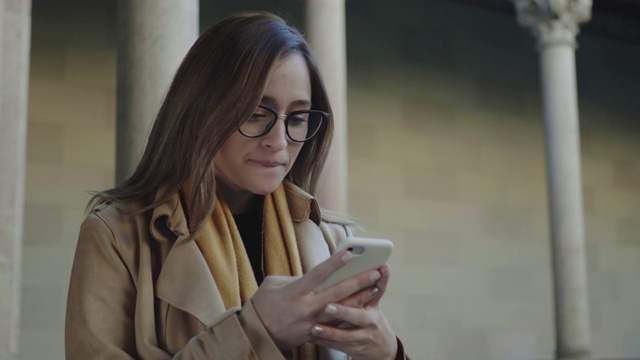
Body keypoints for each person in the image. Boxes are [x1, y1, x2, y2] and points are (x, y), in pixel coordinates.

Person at [65, 11, 407, 360]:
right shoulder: (116, 237)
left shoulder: (330, 240)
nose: (279, 141)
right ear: (201, 111)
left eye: (299, 118)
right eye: (256, 114)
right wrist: (256, 332)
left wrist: (388, 352)